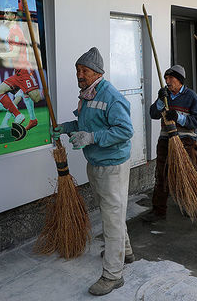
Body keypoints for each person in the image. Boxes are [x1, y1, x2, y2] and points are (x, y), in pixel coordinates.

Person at [52, 47, 135, 296]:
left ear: (97, 73)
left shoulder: (111, 97)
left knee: (112, 219)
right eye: (77, 70)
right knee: (112, 213)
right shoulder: (88, 95)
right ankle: (126, 252)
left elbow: (125, 131)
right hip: (96, 163)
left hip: (112, 165)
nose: (79, 74)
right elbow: (86, 123)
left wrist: (91, 137)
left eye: (84, 70)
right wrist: (67, 127)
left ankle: (113, 275)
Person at [143, 65, 197, 222]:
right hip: (165, 140)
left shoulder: (191, 96)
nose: (167, 81)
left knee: (188, 174)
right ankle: (158, 211)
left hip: (186, 141)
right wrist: (159, 102)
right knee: (161, 175)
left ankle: (191, 205)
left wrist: (178, 117)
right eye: (166, 78)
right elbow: (153, 114)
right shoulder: (165, 96)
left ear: (180, 80)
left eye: (171, 78)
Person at [0, 8, 42, 130]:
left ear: (14, 16)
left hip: (25, 71)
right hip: (18, 72)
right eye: (4, 12)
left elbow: (16, 53)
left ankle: (33, 117)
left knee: (36, 98)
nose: (4, 15)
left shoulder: (16, 31)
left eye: (7, 13)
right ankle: (18, 115)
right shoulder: (11, 32)